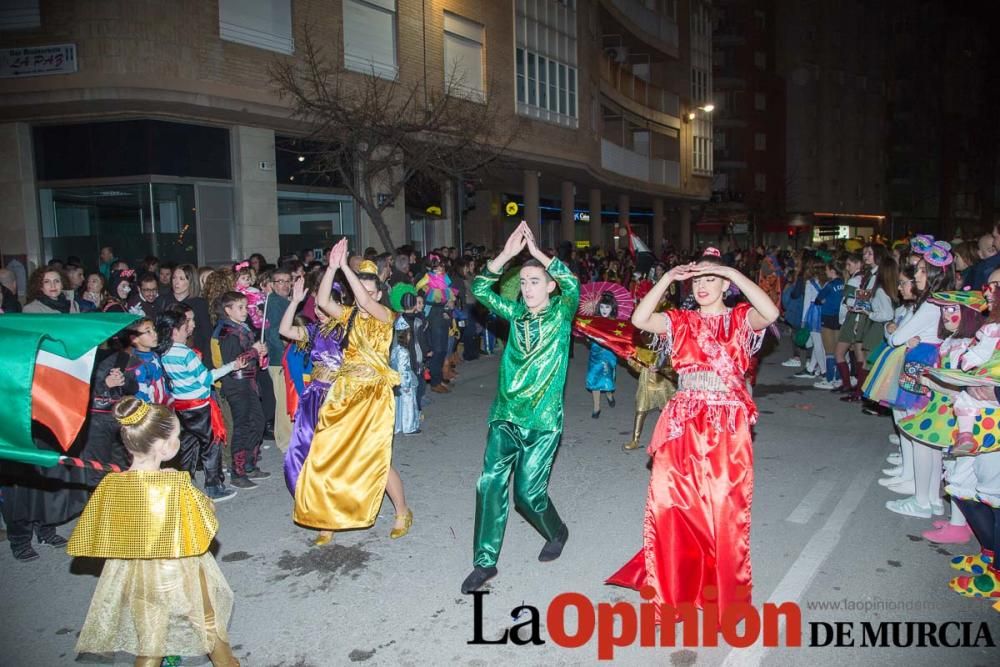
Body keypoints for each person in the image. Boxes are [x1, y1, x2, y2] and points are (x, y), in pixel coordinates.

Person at [606, 247, 779, 625]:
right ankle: (674, 593)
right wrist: (667, 279)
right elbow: (639, 318)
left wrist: (733, 273)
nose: (702, 286)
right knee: (671, 506)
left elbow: (771, 313)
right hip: (684, 420)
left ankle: (724, 596)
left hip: (727, 425)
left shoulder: (739, 319)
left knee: (724, 511)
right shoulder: (680, 321)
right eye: (697, 280)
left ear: (725, 284)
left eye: (710, 279)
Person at [67, 397, 240, 666]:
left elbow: (101, 529)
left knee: (151, 637)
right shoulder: (174, 484)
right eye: (177, 436)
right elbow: (206, 517)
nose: (179, 441)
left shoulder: (112, 484)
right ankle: (227, 663)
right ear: (162, 446)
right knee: (206, 620)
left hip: (136, 573)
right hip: (179, 567)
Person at [461, 221, 580, 594]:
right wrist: (508, 255)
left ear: (549, 286)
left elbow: (573, 284)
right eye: (524, 282)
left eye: (535, 281)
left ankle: (556, 530)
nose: (528, 288)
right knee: (489, 483)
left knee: (528, 496)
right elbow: (480, 288)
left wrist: (541, 255)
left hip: (542, 421)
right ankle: (484, 562)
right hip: (506, 416)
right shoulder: (515, 316)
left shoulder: (561, 313)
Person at [294, 240, 411, 546]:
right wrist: (332, 268)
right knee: (327, 454)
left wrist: (347, 268)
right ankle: (327, 518)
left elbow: (367, 303)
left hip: (374, 395)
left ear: (379, 294)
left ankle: (402, 511)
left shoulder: (386, 315)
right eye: (361, 291)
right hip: (344, 392)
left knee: (375, 458)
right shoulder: (348, 315)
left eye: (371, 291)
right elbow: (321, 301)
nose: (365, 297)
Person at [158, 306, 243, 502]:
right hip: (199, 406)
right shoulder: (186, 354)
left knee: (187, 446)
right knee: (211, 445)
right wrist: (232, 366)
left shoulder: (164, 352)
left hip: (181, 406)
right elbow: (206, 378)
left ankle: (184, 484)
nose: (188, 327)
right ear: (175, 330)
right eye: (184, 325)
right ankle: (214, 486)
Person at [279, 277, 345, 495]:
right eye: (316, 306)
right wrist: (294, 302)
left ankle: (336, 490)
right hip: (315, 395)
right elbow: (286, 331)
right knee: (305, 446)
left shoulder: (347, 332)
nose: (317, 311)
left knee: (337, 449)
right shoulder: (313, 331)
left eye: (323, 307)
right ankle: (311, 491)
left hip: (338, 396)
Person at [216, 292, 269, 489]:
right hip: (236, 385)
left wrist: (259, 352)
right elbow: (235, 361)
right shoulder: (227, 333)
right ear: (228, 310)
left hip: (249, 383)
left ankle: (249, 463)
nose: (245, 311)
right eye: (240, 307)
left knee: (258, 422)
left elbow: (251, 356)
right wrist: (254, 351)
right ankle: (237, 473)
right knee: (242, 426)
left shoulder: (242, 329)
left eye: (246, 307)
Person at [586, 293, 619, 418]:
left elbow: (618, 340)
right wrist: (589, 337)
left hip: (608, 354)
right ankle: (596, 408)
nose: (604, 310)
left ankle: (610, 394)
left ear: (612, 308)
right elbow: (589, 339)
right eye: (602, 307)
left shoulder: (616, 323)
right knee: (594, 378)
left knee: (607, 379)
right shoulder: (594, 321)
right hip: (595, 354)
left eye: (607, 307)